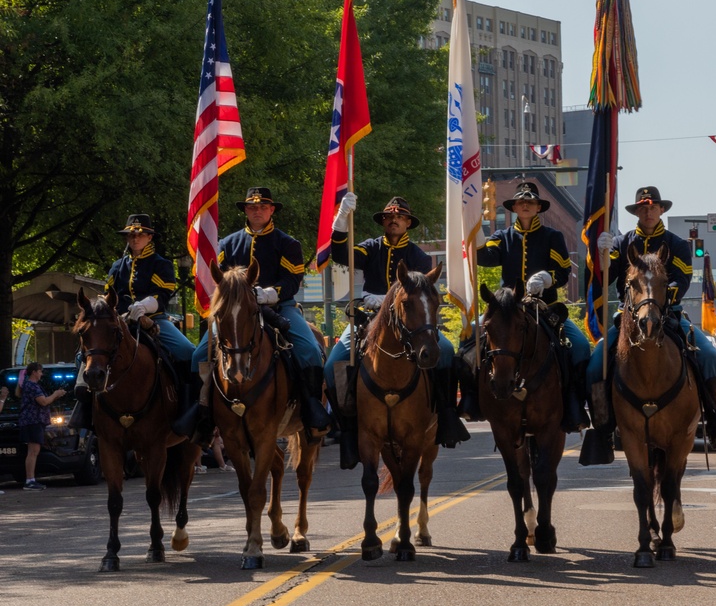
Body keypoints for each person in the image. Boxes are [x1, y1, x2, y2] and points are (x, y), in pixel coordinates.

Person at [581, 186, 716, 462]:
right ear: (637, 212)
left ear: (661, 210)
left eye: (653, 207)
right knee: (597, 362)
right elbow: (603, 279)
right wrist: (599, 255)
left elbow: (681, 281)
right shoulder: (622, 244)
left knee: (706, 355)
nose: (648, 212)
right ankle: (602, 428)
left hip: (668, 316)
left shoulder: (677, 244)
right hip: (629, 321)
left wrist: (655, 302)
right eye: (643, 208)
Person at [323, 193, 469, 467]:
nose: (394, 221)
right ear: (384, 222)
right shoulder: (370, 247)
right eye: (389, 217)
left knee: (447, 353)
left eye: (399, 217)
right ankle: (345, 427)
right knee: (332, 364)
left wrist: (389, 298)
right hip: (369, 318)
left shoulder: (419, 257)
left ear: (407, 223)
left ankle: (448, 416)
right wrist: (340, 220)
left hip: (410, 323)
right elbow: (341, 254)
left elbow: (421, 292)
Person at [180, 188, 329, 442]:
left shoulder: (288, 243)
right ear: (246, 211)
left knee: (310, 351)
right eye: (252, 207)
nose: (257, 211)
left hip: (280, 307)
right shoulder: (227, 244)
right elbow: (219, 281)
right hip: (237, 313)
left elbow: (293, 280)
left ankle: (311, 408)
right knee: (198, 355)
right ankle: (201, 413)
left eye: (262, 207)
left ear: (272, 210)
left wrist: (271, 293)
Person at [465, 181, 590, 432]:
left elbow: (564, 272)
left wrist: (547, 278)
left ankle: (574, 406)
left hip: (545, 307)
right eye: (521, 201)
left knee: (580, 347)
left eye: (530, 201)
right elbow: (486, 259)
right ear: (514, 207)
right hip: (508, 308)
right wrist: (475, 236)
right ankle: (472, 402)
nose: (525, 205)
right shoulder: (502, 236)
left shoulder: (552, 237)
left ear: (537, 208)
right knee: (467, 341)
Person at [73, 214, 196, 428]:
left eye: (140, 235)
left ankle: (190, 410)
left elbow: (163, 295)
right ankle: (86, 411)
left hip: (154, 319)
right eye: (131, 235)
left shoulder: (161, 264)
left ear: (149, 237)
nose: (135, 239)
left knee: (187, 352)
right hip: (120, 320)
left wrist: (145, 306)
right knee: (81, 356)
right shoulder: (117, 266)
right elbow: (108, 296)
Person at [18, 362, 66, 490]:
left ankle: (31, 480)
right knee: (33, 451)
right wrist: (56, 394)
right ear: (34, 372)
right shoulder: (32, 386)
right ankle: (29, 481)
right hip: (33, 421)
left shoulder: (29, 385)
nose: (41, 374)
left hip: (33, 422)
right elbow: (44, 402)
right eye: (40, 371)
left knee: (34, 451)